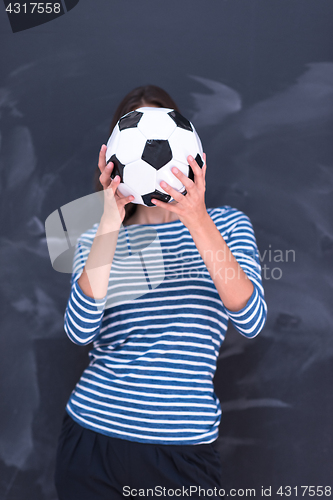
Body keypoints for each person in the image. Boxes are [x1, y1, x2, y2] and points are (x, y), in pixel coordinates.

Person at [54, 85, 267, 500]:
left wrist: (196, 216)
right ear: (116, 154)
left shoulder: (227, 225)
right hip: (94, 439)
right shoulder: (96, 238)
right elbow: (79, 331)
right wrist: (110, 220)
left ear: (185, 143)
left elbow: (251, 318)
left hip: (182, 454)